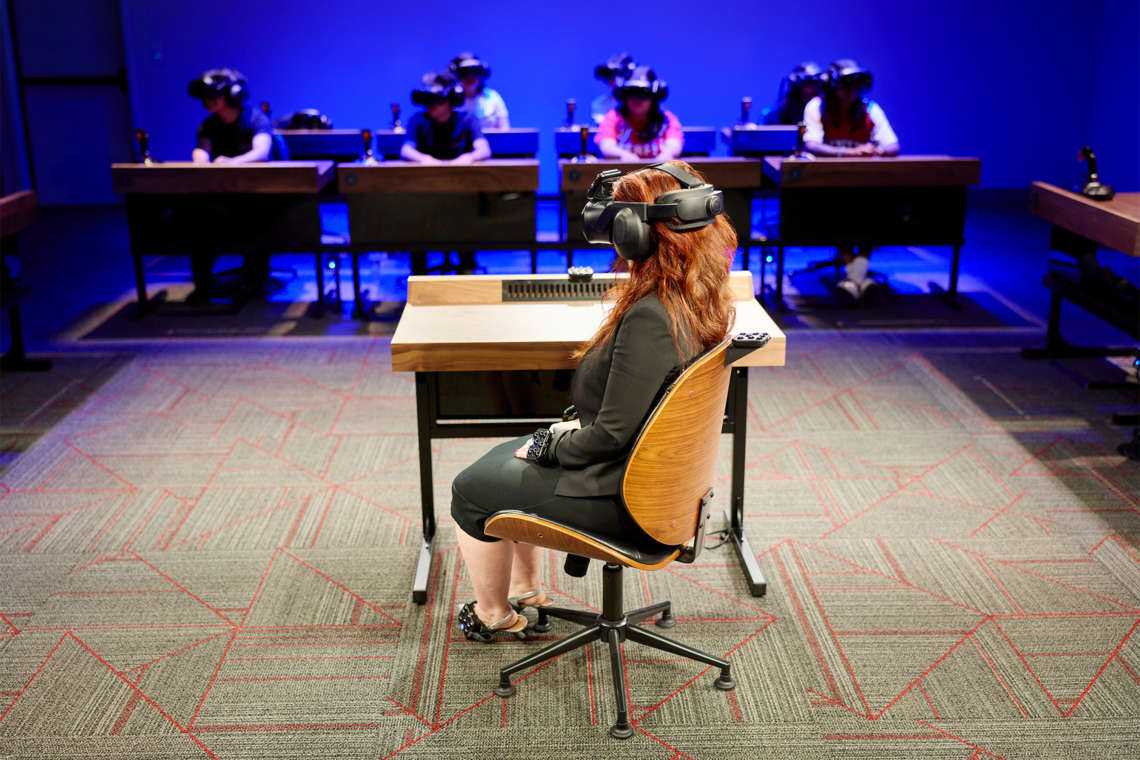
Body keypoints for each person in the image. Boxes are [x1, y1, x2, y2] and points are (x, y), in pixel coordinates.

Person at [449, 160, 737, 640]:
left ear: (634, 232)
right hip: (658, 483)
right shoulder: (699, 295)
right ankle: (525, 590)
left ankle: (492, 614)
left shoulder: (652, 316)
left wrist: (550, 445)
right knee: (513, 454)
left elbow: (609, 437)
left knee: (469, 490)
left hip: (624, 496)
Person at [803, 59, 900, 303]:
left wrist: (877, 151)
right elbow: (811, 144)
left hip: (866, 186)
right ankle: (859, 276)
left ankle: (853, 277)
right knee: (840, 212)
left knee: (874, 212)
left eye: (855, 86)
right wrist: (848, 153)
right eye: (846, 85)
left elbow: (893, 145)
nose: (851, 91)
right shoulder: (817, 106)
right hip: (829, 187)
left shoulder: (870, 108)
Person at [187, 68, 274, 305]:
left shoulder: (255, 118)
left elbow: (262, 152)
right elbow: (202, 149)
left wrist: (233, 162)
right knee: (196, 219)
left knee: (256, 219)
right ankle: (203, 286)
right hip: (223, 195)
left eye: (214, 94)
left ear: (234, 94)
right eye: (206, 96)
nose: (208, 100)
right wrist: (200, 158)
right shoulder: (209, 124)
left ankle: (256, 282)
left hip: (258, 196)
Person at [401, 72, 492, 274]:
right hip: (425, 196)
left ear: (451, 99)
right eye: (428, 100)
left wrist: (468, 158)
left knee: (466, 220)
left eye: (437, 100)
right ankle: (419, 277)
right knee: (413, 223)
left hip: (461, 195)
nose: (431, 106)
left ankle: (467, 270)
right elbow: (406, 150)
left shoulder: (467, 119)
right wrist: (424, 159)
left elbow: (484, 150)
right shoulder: (418, 120)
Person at [596, 66, 683, 161]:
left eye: (644, 93)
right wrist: (623, 156)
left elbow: (675, 146)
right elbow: (606, 147)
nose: (636, 99)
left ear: (655, 95)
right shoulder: (614, 118)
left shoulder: (666, 119)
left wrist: (667, 156)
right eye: (630, 93)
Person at [448, 52, 509, 129]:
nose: (470, 77)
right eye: (464, 72)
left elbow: (505, 129)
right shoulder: (451, 101)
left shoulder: (492, 96)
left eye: (474, 71)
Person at [591, 52, 636, 125]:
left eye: (613, 76)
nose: (610, 81)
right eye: (607, 78)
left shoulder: (644, 99)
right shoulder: (601, 104)